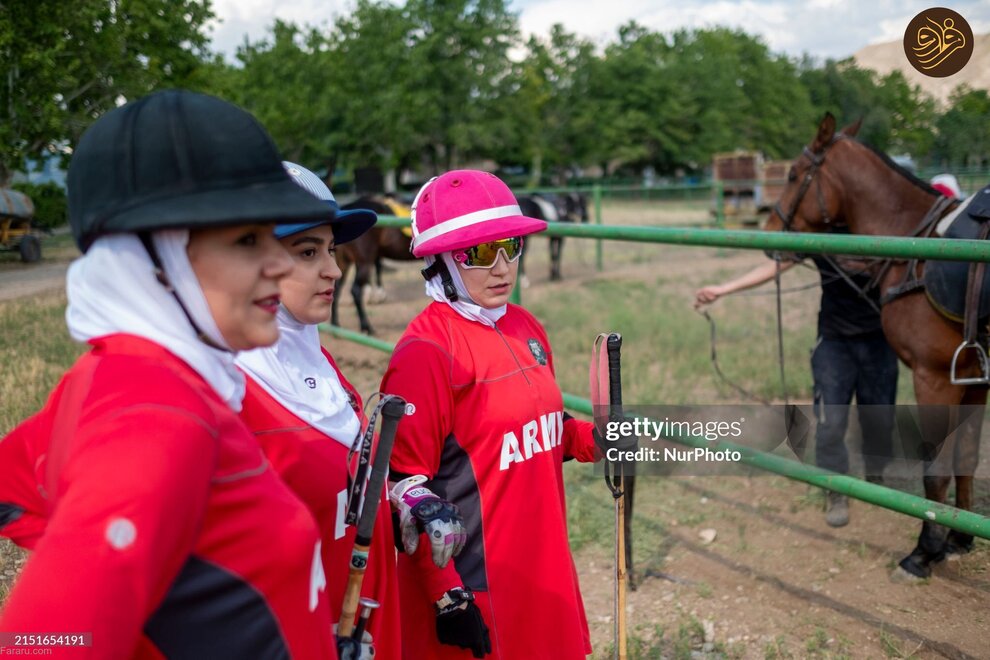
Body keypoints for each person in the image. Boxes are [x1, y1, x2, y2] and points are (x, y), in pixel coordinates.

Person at [0, 90, 339, 657]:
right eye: (248, 240)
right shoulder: (158, 420)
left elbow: (17, 488)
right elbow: (39, 642)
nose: (280, 264)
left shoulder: (125, 374)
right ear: (155, 260)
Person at [380, 170, 604, 659]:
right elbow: (403, 489)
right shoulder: (426, 352)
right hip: (479, 585)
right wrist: (447, 597)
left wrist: (598, 439)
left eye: (511, 246)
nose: (502, 266)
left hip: (544, 566)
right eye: (479, 253)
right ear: (440, 260)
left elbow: (545, 429)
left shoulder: (525, 325)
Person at [236, 162, 400, 660]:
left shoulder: (317, 356)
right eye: (308, 252)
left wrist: (400, 501)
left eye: (329, 249)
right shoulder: (225, 393)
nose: (333, 268)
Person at [695, 244, 898, 528]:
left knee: (880, 415)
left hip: (881, 339)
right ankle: (835, 488)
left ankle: (877, 474)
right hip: (834, 341)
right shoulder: (823, 231)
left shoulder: (883, 224)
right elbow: (776, 265)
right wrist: (724, 288)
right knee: (830, 421)